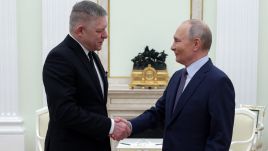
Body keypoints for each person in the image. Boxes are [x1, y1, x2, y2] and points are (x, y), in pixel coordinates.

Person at [114, 19, 235, 151]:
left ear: (196, 44)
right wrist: (130, 125)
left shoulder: (218, 82)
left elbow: (220, 139)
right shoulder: (177, 77)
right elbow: (158, 113)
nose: (172, 47)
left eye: (177, 41)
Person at [42, 1, 130, 151]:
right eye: (99, 31)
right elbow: (65, 111)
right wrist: (110, 126)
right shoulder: (59, 57)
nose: (106, 35)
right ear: (80, 30)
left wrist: (109, 125)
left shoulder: (92, 55)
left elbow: (94, 105)